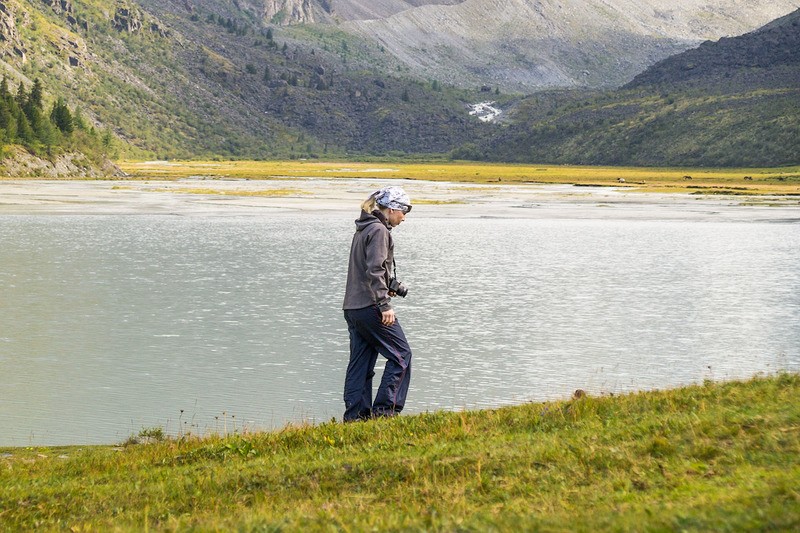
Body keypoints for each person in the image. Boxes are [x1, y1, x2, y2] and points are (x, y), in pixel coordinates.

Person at [342, 186, 413, 421]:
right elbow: (374, 270)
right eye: (404, 211)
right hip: (371, 306)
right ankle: (385, 413)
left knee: (360, 363)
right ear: (392, 209)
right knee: (401, 355)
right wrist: (384, 305)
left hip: (353, 308)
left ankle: (355, 418)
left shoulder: (363, 228)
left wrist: (388, 284)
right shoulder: (380, 231)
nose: (404, 217)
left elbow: (371, 270)